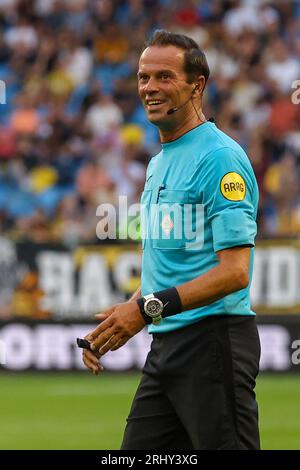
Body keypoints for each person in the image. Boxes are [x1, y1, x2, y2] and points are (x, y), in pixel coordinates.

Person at [82, 30, 261, 450]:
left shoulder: (219, 157)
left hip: (214, 344)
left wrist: (146, 310)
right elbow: (173, 266)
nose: (149, 88)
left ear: (197, 85)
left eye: (164, 77)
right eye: (144, 77)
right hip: (167, 347)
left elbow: (235, 273)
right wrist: (124, 316)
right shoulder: (159, 162)